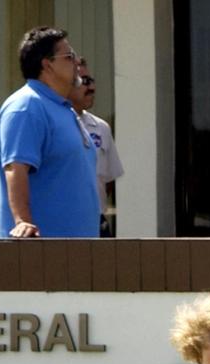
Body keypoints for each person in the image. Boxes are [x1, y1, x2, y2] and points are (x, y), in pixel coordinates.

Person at [0, 26, 100, 238]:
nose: (77, 63)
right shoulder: (26, 107)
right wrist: (23, 222)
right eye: (69, 56)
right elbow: (15, 169)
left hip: (75, 254)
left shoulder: (62, 108)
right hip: (38, 257)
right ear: (47, 64)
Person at [67, 59, 124, 237]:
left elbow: (107, 181)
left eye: (92, 81)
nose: (91, 87)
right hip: (66, 222)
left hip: (97, 221)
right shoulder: (54, 123)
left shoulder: (101, 128)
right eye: (85, 81)